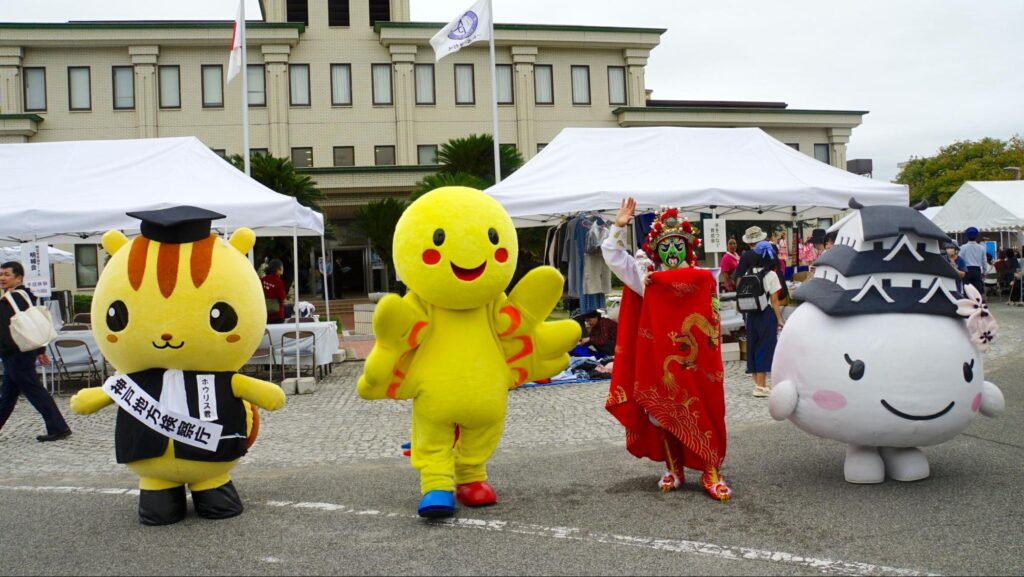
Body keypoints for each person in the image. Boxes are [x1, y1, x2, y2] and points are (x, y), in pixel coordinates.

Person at [601, 197, 731, 502]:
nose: (671, 252)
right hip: (662, 360)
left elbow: (712, 316)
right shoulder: (646, 277)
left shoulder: (703, 278)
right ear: (657, 248)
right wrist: (618, 227)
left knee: (707, 408)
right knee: (662, 414)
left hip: (698, 360)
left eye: (677, 245)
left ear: (686, 248)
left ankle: (712, 471)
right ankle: (675, 468)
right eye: (666, 245)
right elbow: (614, 257)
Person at [0, 261, 72, 442]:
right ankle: (59, 427)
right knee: (8, 394)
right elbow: (34, 325)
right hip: (21, 352)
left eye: (7, 274)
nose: (2, 278)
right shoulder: (25, 296)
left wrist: (5, 351)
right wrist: (40, 350)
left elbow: (5, 330)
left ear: (19, 277)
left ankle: (59, 427)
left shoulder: (12, 299)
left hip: (16, 354)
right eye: (1, 274)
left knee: (34, 391)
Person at [742, 242, 785, 398]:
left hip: (751, 314)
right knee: (765, 348)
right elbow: (774, 301)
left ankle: (759, 384)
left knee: (753, 346)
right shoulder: (771, 275)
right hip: (765, 314)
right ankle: (760, 387)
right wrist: (780, 319)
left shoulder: (749, 271)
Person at [959, 227, 987, 298]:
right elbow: (984, 261)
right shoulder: (982, 248)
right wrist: (984, 272)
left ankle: (968, 306)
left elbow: (960, 260)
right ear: (977, 236)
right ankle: (976, 306)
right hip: (977, 271)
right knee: (977, 291)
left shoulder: (962, 247)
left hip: (966, 270)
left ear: (966, 236)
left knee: (967, 290)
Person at [261, 259, 287, 324]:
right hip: (277, 315)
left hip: (265, 314)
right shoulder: (279, 281)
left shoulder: (263, 280)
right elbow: (283, 299)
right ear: (279, 269)